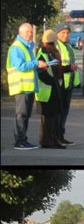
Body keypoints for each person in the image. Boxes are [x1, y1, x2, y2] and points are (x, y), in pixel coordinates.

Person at [7, 22, 49, 150]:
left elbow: (31, 67)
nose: (30, 34)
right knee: (21, 114)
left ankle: (23, 140)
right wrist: (36, 63)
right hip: (21, 86)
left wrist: (40, 66)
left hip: (28, 87)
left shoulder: (27, 47)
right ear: (20, 33)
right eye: (27, 32)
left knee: (25, 115)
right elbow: (21, 66)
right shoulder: (17, 47)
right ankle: (19, 141)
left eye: (31, 32)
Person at [36, 29, 66, 149]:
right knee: (48, 118)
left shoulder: (49, 53)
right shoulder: (42, 54)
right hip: (46, 91)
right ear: (47, 43)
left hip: (52, 89)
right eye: (52, 44)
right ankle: (46, 142)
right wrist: (53, 82)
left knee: (54, 117)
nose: (54, 46)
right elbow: (41, 73)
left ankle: (53, 140)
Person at [55, 23, 80, 146]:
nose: (66, 35)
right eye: (63, 33)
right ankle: (57, 137)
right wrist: (69, 67)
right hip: (60, 84)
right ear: (57, 34)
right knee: (59, 112)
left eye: (67, 33)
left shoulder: (69, 47)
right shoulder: (56, 47)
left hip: (68, 83)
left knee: (65, 112)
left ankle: (61, 135)